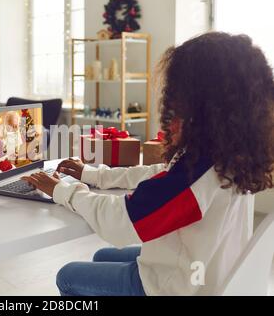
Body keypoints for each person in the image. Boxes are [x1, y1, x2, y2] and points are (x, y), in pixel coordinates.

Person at [22, 32, 274, 296]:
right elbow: (162, 174)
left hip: (176, 287)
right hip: (205, 268)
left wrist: (62, 191)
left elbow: (121, 222)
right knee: (102, 255)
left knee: (68, 276)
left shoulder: (198, 174)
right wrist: (94, 175)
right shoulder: (230, 155)